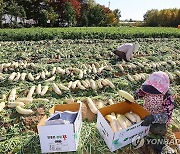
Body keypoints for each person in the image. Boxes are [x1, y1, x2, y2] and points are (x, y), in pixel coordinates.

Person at [134, 71, 175, 154]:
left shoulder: (168, 97)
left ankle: (162, 147)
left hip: (159, 120)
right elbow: (140, 93)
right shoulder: (148, 88)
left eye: (154, 90)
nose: (151, 92)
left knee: (157, 130)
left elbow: (165, 116)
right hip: (146, 113)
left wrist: (153, 118)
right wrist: (135, 95)